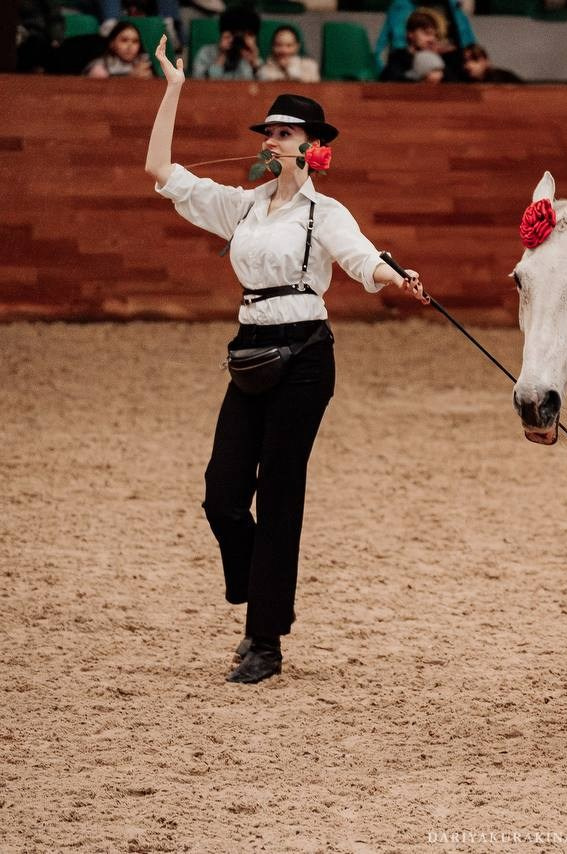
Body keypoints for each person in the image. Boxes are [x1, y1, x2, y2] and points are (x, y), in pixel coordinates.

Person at [144, 35, 428, 684]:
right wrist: (173, 88)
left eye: (284, 132)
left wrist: (396, 275)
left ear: (310, 145)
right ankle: (260, 588)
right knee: (222, 496)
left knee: (278, 495)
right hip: (249, 353)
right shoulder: (240, 206)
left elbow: (361, 260)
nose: (270, 139)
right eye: (268, 131)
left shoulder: (324, 213)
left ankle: (264, 641)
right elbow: (161, 171)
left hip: (305, 358)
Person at [379, 8, 456, 83]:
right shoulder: (397, 61)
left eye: (436, 36)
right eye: (427, 33)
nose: (432, 39)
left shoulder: (439, 61)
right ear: (410, 33)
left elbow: (455, 87)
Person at [191, 6, 262, 81]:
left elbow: (266, 87)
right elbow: (197, 83)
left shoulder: (251, 56)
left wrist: (255, 63)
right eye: (235, 34)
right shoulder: (206, 52)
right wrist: (222, 56)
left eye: (249, 34)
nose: (240, 39)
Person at [83, 21, 155, 78]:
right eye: (124, 40)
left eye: (135, 41)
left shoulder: (143, 65)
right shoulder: (100, 68)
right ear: (112, 44)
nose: (130, 46)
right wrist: (130, 77)